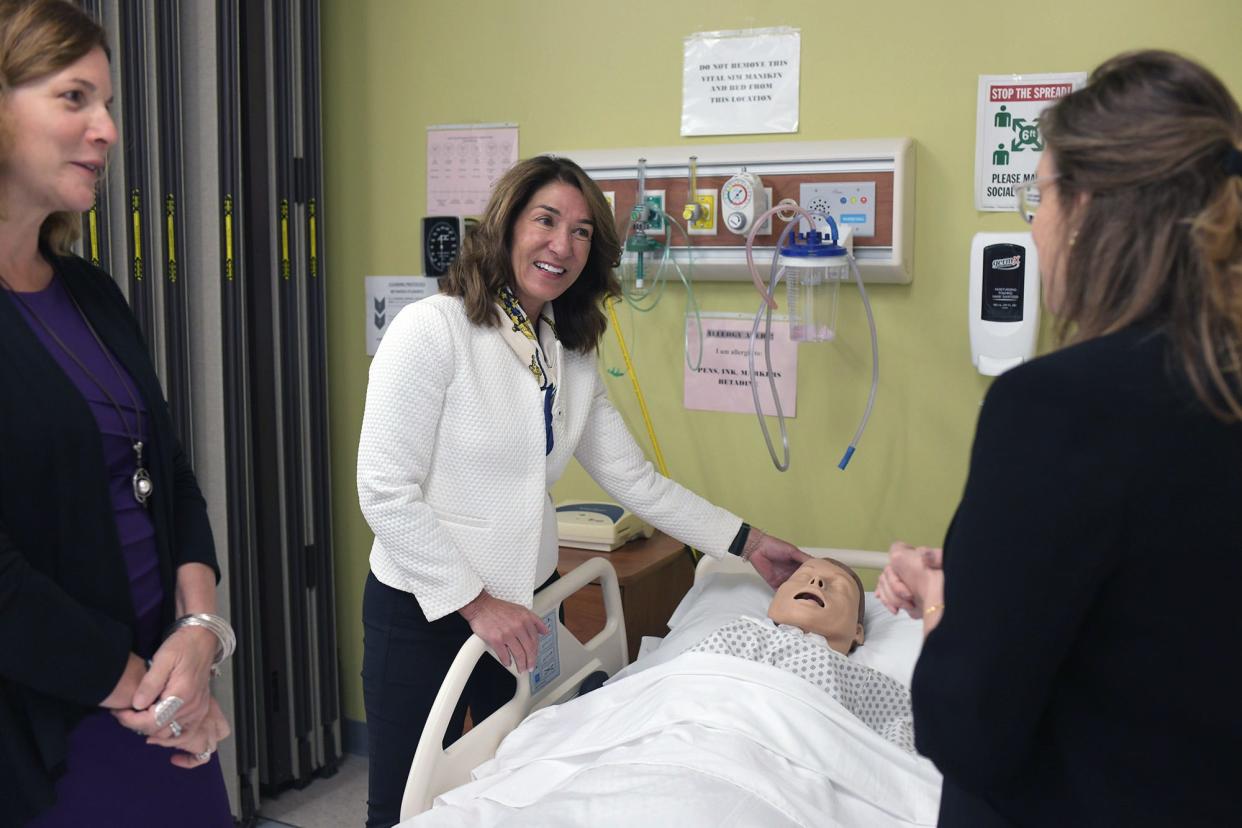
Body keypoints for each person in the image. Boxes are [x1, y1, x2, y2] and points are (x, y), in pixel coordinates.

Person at [357, 154, 809, 827]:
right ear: (508, 225)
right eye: (547, 220)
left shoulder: (566, 350)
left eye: (582, 232)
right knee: (402, 806)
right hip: (425, 609)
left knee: (531, 792)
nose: (562, 245)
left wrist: (749, 542)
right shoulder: (433, 331)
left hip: (529, 607)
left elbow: (634, 480)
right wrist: (476, 604)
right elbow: (384, 491)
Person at [875, 50, 1242, 826]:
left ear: (1091, 210)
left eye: (1035, 194)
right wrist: (993, 575)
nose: (1033, 226)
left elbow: (965, 726)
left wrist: (949, 604)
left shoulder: (1056, 407)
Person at [0, 2, 233, 825]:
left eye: (109, 104)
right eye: (74, 98)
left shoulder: (92, 293)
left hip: (157, 688)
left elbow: (168, 471)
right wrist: (163, 694)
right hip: (50, 718)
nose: (107, 129)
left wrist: (201, 632)